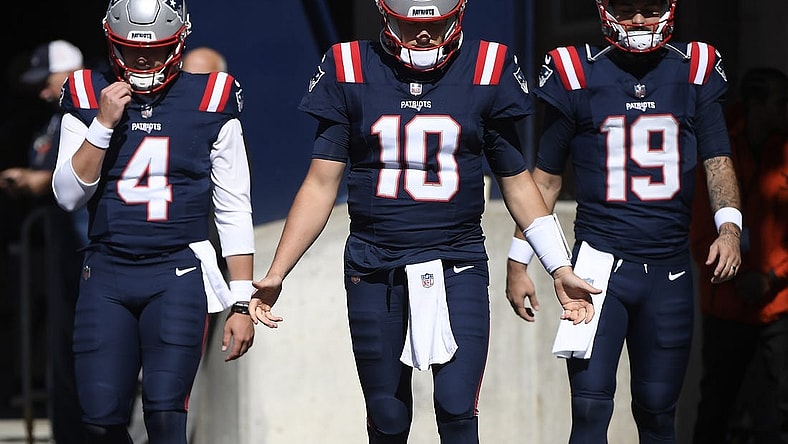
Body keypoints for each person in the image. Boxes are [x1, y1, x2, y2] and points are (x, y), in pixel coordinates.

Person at [248, 0, 599, 442]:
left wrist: (558, 266)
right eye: (411, 24)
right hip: (376, 265)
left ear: (458, 15)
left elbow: (516, 181)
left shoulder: (486, 66)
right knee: (387, 416)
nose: (425, 36)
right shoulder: (349, 66)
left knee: (456, 408)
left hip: (458, 261)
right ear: (385, 15)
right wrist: (279, 271)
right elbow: (321, 184)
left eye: (436, 24)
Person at [504, 0, 742, 442]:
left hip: (668, 270)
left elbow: (717, 158)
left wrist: (729, 227)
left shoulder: (696, 68)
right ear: (605, 10)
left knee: (657, 413)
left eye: (649, 9)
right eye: (628, 9)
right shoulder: (575, 71)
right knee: (591, 410)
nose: (638, 21)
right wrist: (519, 260)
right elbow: (547, 179)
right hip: (598, 267)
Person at [50, 0, 258, 442]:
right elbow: (68, 195)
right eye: (129, 48)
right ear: (111, 41)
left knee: (166, 416)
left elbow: (234, 205)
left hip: (176, 272)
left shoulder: (212, 95)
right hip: (106, 271)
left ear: (180, 39)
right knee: (100, 419)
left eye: (157, 48)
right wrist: (103, 125)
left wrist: (241, 301)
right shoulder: (87, 91)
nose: (143, 60)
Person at [691, 67, 788, 443]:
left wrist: (772, 276)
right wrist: (735, 274)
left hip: (778, 302)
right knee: (716, 406)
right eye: (781, 102)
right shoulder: (719, 150)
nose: (786, 110)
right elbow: (700, 231)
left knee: (780, 409)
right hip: (726, 305)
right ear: (755, 105)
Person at [0, 39, 87, 443]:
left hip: (88, 253)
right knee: (63, 347)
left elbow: (85, 177)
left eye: (45, 81)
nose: (41, 92)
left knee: (89, 347)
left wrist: (39, 181)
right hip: (60, 255)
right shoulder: (54, 119)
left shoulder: (94, 112)